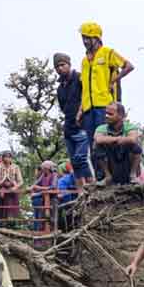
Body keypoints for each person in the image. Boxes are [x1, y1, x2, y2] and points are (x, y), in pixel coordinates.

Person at [78, 22, 134, 180]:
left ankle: (117, 175)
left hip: (106, 105)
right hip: (89, 107)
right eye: (83, 38)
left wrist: (113, 81)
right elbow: (84, 87)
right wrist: (80, 110)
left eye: (88, 38)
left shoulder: (107, 52)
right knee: (93, 143)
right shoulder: (84, 61)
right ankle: (101, 177)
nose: (85, 41)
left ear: (96, 38)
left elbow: (128, 66)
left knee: (108, 140)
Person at [54, 52, 91, 190]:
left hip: (83, 124)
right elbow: (63, 108)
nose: (60, 68)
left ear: (69, 64)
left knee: (81, 158)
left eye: (62, 65)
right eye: (57, 66)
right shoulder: (60, 88)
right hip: (68, 126)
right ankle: (81, 193)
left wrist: (80, 112)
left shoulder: (80, 78)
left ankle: (92, 188)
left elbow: (87, 95)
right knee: (74, 163)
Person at [94, 102, 144, 185]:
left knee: (136, 146)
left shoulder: (130, 126)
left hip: (126, 164)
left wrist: (109, 140)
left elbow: (133, 139)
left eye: (110, 114)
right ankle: (108, 177)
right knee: (97, 146)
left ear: (121, 116)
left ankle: (132, 175)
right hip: (112, 164)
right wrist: (119, 139)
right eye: (106, 113)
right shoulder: (101, 128)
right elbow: (98, 139)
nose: (106, 116)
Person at [0, 152, 24, 225]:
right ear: (2, 158)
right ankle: (0, 224)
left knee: (12, 210)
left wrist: (15, 187)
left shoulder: (16, 167)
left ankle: (11, 224)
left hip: (12, 191)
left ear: (11, 158)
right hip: (0, 190)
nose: (7, 158)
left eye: (9, 157)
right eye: (5, 157)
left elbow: (20, 181)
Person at [29, 161, 58, 232]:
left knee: (51, 218)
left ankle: (52, 232)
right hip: (43, 198)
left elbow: (53, 186)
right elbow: (35, 184)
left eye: (44, 168)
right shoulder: (43, 175)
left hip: (52, 199)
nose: (43, 170)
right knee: (40, 217)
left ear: (48, 168)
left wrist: (40, 188)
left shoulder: (54, 175)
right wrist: (31, 188)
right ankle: (38, 231)